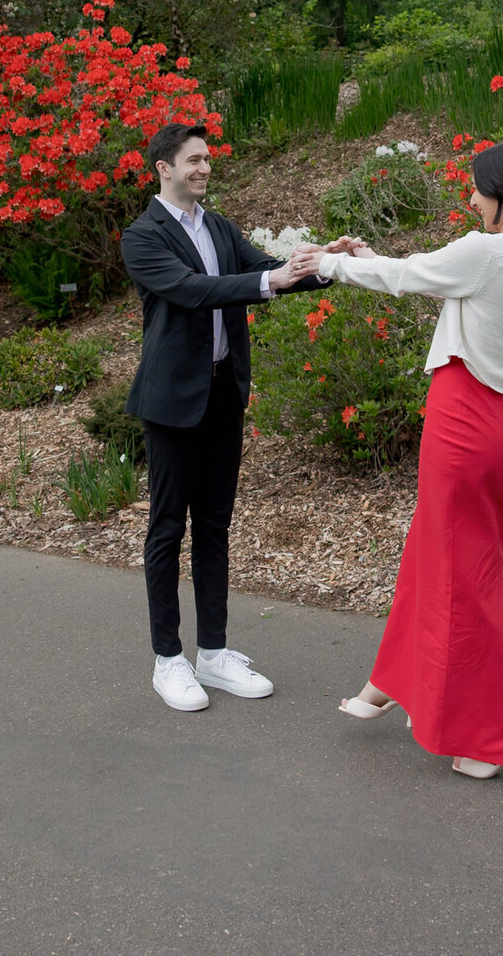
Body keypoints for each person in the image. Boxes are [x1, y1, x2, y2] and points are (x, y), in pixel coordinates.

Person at [287, 136, 503, 781]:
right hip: (496, 420)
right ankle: (390, 681)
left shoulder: (488, 252)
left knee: (465, 574)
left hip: (463, 419)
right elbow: (422, 272)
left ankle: (488, 738)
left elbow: (408, 277)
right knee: (433, 552)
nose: (471, 199)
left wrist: (330, 266)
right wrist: (370, 257)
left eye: (478, 189)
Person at [122, 121, 326, 713]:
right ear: (164, 167)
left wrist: (323, 263)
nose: (205, 167)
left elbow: (271, 273)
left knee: (214, 527)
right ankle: (169, 661)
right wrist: (269, 278)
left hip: (221, 395)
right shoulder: (144, 236)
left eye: (207, 158)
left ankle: (213, 655)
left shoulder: (219, 226)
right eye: (193, 160)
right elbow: (192, 290)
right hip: (171, 404)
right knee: (168, 530)